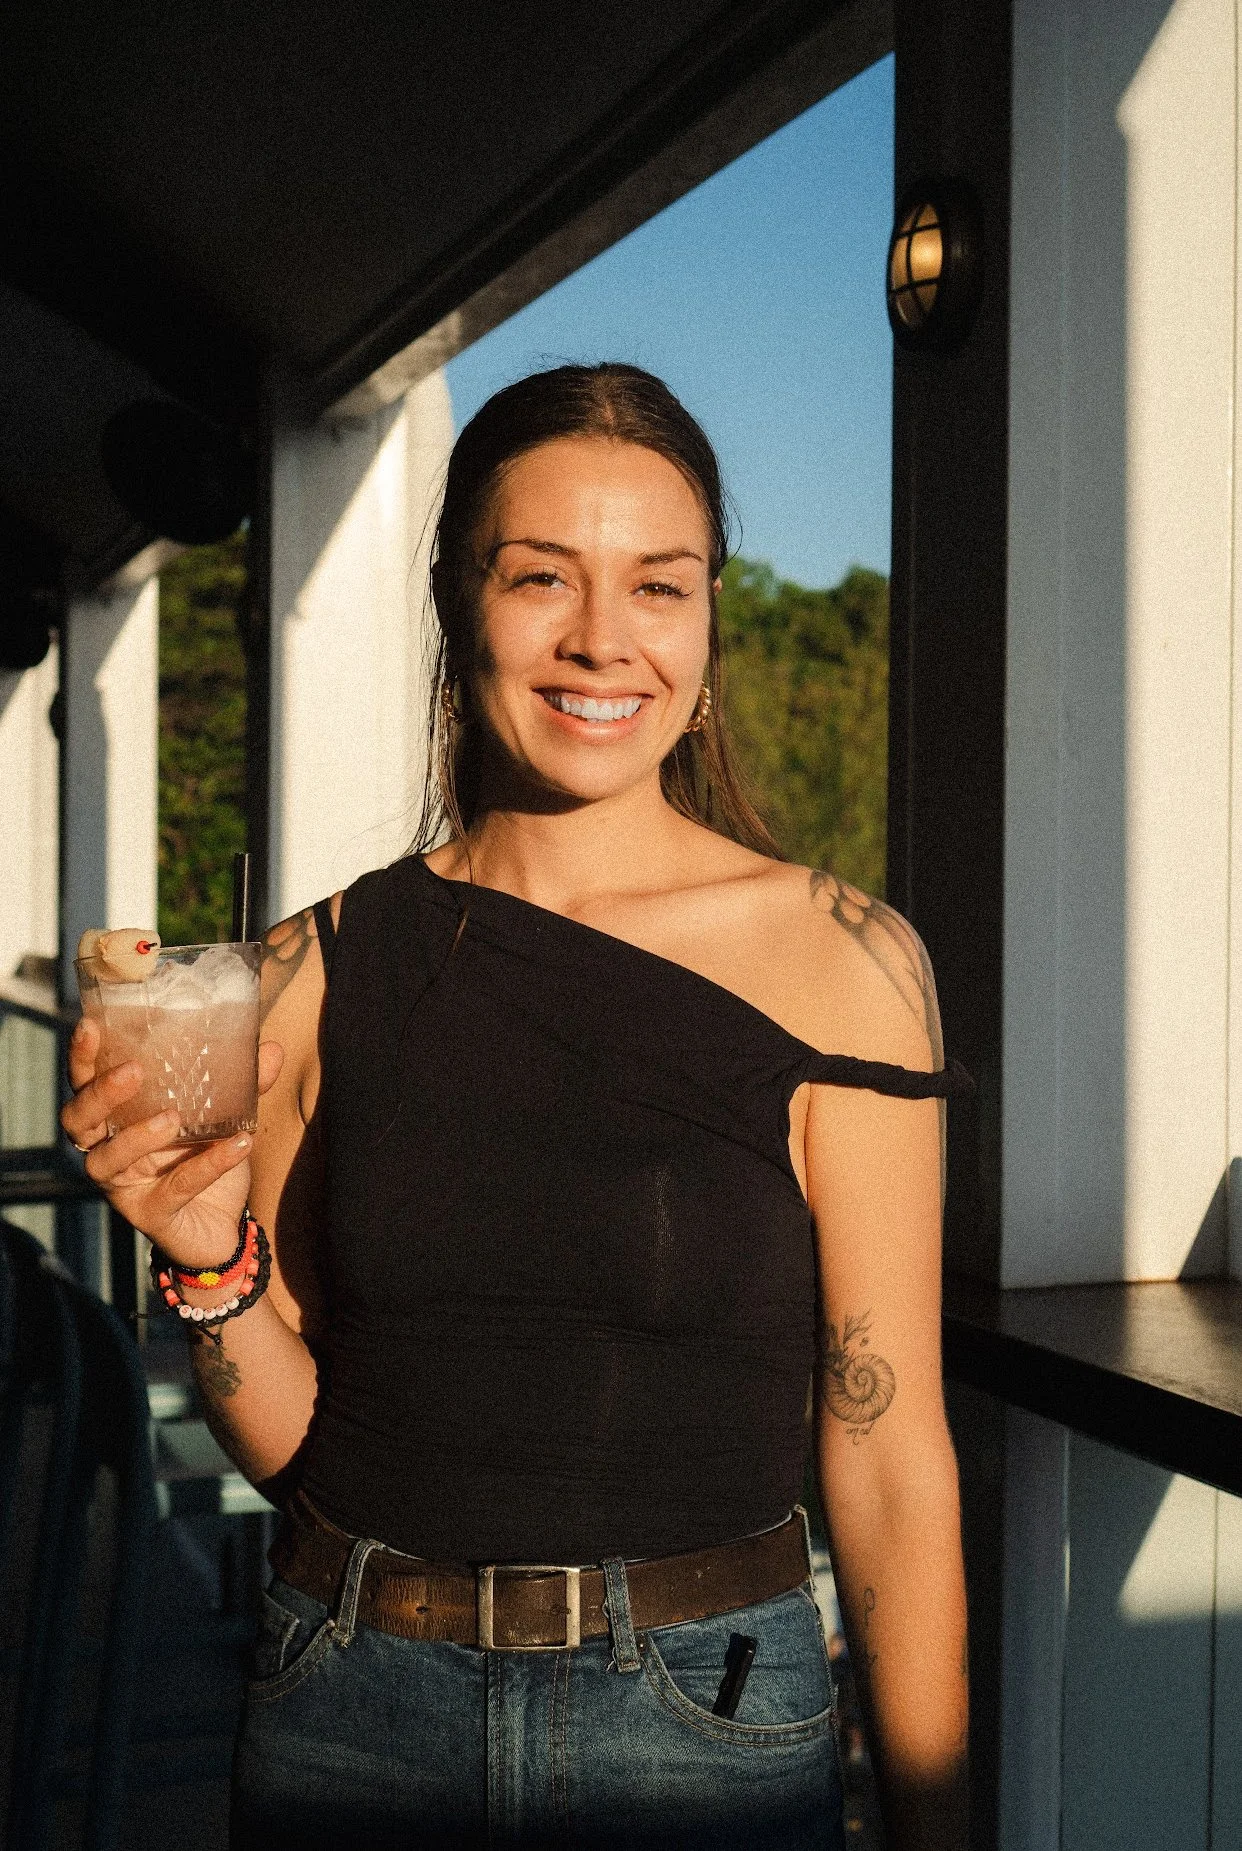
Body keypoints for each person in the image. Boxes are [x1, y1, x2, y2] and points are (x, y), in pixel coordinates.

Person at [63, 364, 970, 1851]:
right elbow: (301, 1440)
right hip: (348, 1705)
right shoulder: (306, 971)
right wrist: (211, 1260)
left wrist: (938, 1821)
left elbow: (886, 1450)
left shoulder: (842, 963)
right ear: (455, 599)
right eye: (541, 576)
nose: (603, 639)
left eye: (657, 587)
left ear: (706, 616)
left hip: (704, 1721)